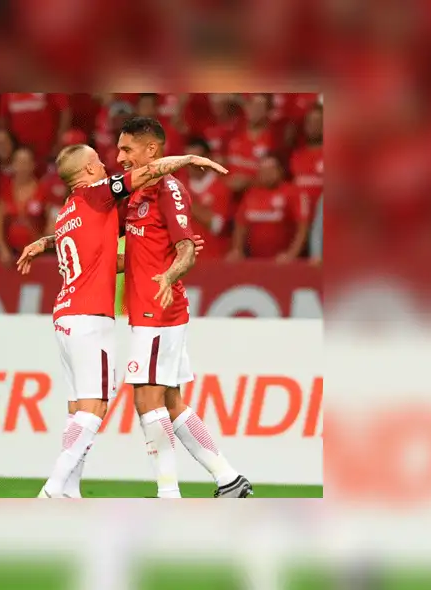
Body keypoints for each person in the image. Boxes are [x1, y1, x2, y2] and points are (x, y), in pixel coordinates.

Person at [16, 145, 226, 498]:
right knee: (95, 409)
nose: (105, 165)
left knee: (77, 410)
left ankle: (70, 490)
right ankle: (53, 487)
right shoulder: (98, 194)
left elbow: (103, 260)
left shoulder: (66, 212)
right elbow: (148, 172)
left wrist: (152, 258)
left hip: (64, 316)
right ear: (85, 171)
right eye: (98, 161)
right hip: (88, 318)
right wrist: (188, 160)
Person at [116, 116, 253, 498]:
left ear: (152, 150)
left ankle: (168, 494)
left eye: (127, 148)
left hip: (158, 310)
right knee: (172, 402)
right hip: (149, 307)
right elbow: (138, 256)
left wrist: (169, 275)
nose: (120, 156)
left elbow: (187, 249)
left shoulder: (169, 190)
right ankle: (228, 478)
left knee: (146, 400)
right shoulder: (138, 194)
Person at [228, 154, 311, 262]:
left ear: (280, 171)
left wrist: (291, 255)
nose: (267, 174)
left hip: (284, 261)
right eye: (263, 171)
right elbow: (240, 226)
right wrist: (237, 250)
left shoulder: (294, 193)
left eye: (271, 170)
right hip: (255, 261)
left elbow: (303, 228)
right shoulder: (251, 194)